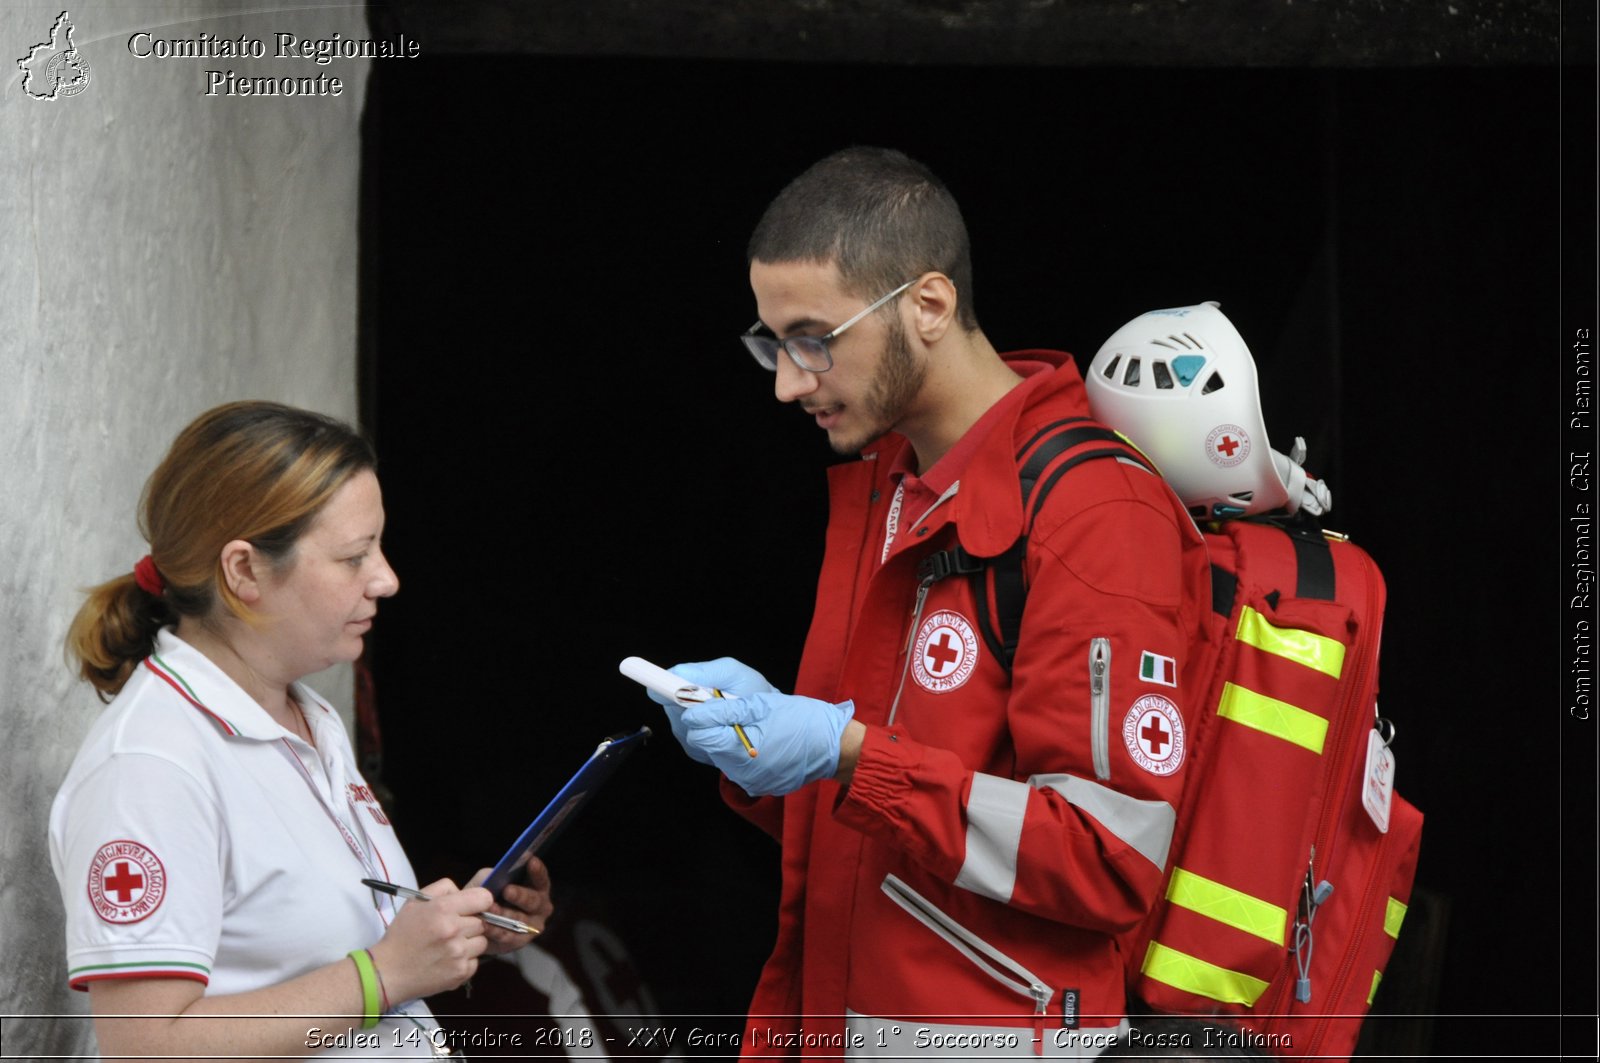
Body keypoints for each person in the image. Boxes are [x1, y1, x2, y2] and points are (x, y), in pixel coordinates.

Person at [648, 148, 1213, 1057]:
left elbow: (1109, 860)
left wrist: (848, 753)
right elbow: (883, 815)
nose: (788, 381)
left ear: (930, 305)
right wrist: (773, 753)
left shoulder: (1095, 508)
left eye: (812, 338)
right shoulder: (894, 486)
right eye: (770, 342)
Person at [50, 401, 553, 1059]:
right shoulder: (150, 764)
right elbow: (146, 1045)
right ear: (244, 571)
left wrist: (454, 931)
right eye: (354, 555)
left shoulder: (307, 716)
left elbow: (307, 944)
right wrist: (383, 973)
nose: (387, 578)